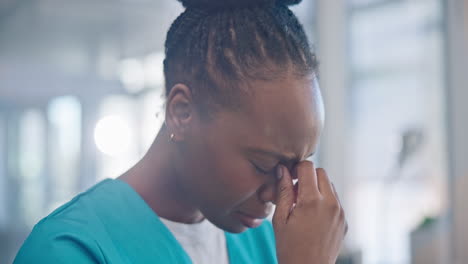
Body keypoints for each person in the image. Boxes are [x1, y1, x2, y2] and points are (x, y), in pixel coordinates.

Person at [14, 0, 348, 263]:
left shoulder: (267, 241)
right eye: (262, 164)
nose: (278, 193)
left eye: (296, 167)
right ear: (182, 112)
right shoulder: (70, 251)